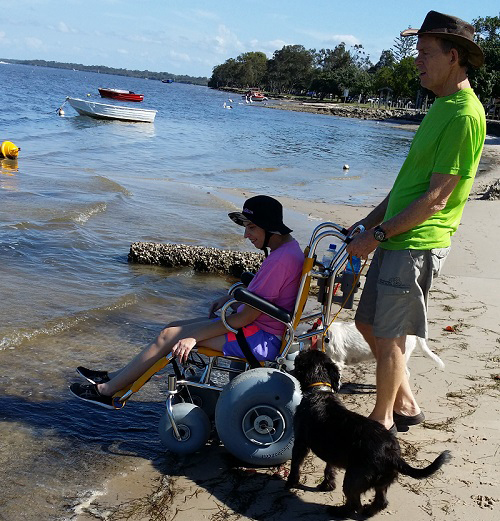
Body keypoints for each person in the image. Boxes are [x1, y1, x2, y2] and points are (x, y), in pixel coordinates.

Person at [346, 11, 486, 433]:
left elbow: (436, 198)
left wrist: (379, 235)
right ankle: (405, 403)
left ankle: (381, 421)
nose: (416, 61)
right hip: (396, 236)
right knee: (366, 324)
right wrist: (369, 222)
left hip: (416, 241)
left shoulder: (465, 114)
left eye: (426, 53)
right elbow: (407, 186)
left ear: (454, 56)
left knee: (389, 335)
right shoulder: (441, 107)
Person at [70, 195, 304, 409]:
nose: (246, 235)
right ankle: (116, 378)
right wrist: (234, 295)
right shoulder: (288, 250)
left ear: (271, 227)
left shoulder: (279, 261)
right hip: (260, 330)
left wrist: (194, 338)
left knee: (169, 336)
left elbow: (244, 317)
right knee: (170, 328)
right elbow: (267, 295)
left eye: (251, 227)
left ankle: (108, 392)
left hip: (260, 338)